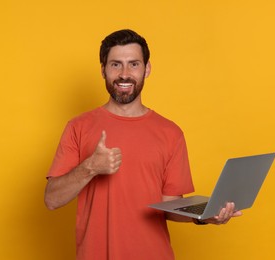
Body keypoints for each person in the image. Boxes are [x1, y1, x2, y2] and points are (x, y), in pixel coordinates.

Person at [44, 29, 242, 260]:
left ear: (147, 69)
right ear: (103, 70)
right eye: (116, 64)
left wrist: (205, 216)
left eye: (134, 64)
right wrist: (90, 167)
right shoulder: (78, 127)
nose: (124, 74)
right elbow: (52, 200)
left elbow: (169, 205)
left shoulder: (171, 133)